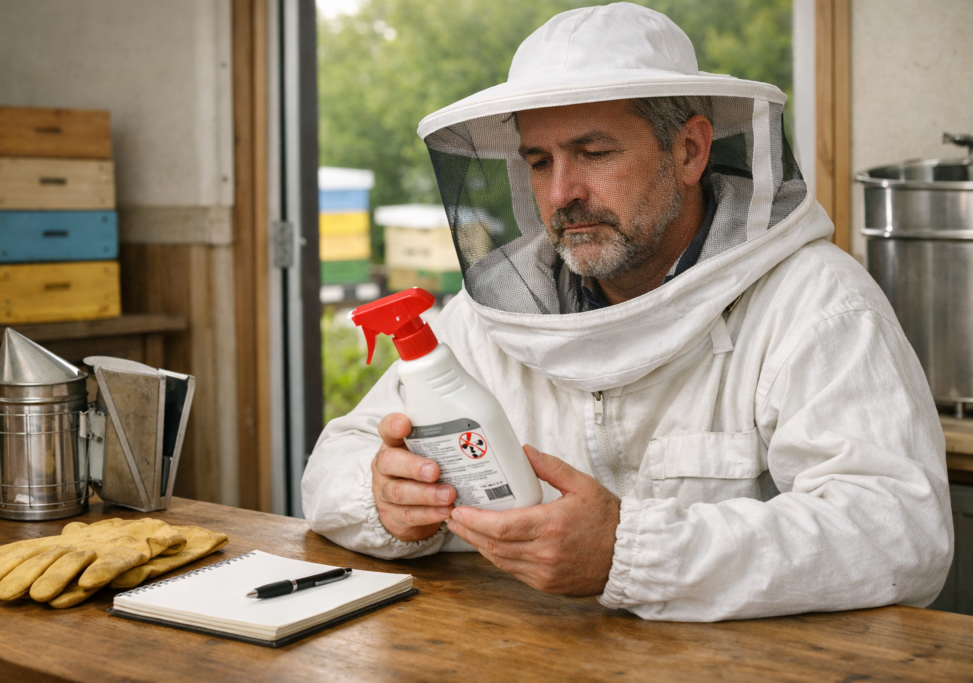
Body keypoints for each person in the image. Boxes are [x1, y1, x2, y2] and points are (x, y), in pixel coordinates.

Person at [302, 2, 953, 621]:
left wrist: (631, 550)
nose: (562, 193)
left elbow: (899, 531)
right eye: (539, 162)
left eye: (594, 153)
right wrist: (389, 498)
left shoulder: (815, 302)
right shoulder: (496, 313)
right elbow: (331, 468)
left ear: (690, 150)